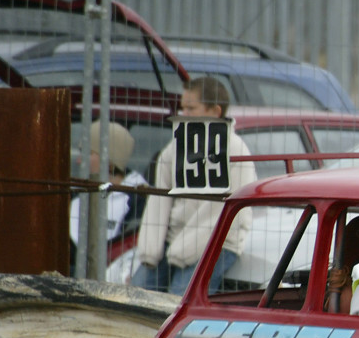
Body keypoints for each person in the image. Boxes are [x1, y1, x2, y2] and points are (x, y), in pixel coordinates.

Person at [132, 77, 258, 295]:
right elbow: (159, 201)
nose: (184, 114)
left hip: (217, 242)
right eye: (182, 107)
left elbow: (223, 214)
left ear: (215, 111)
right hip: (174, 242)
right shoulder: (174, 148)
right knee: (135, 296)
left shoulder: (235, 150)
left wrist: (183, 250)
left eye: (191, 108)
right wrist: (150, 251)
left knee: (180, 302)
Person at [69, 120, 148, 272]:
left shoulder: (138, 201)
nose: (79, 160)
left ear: (109, 159)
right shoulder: (75, 197)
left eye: (88, 153)